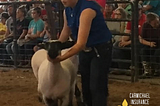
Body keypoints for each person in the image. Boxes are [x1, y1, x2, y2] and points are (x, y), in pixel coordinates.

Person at [48, 0, 113, 106]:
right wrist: (56, 47)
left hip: (100, 49)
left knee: (96, 85)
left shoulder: (87, 10)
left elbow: (80, 43)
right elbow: (66, 31)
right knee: (86, 84)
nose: (63, 0)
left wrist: (61, 58)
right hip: (85, 50)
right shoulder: (67, 10)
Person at [139, 12, 160, 77]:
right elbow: (141, 38)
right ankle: (147, 70)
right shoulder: (145, 25)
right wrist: (149, 43)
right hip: (150, 43)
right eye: (154, 23)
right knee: (143, 51)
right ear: (149, 23)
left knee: (157, 52)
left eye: (157, 22)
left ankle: (157, 70)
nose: (157, 24)